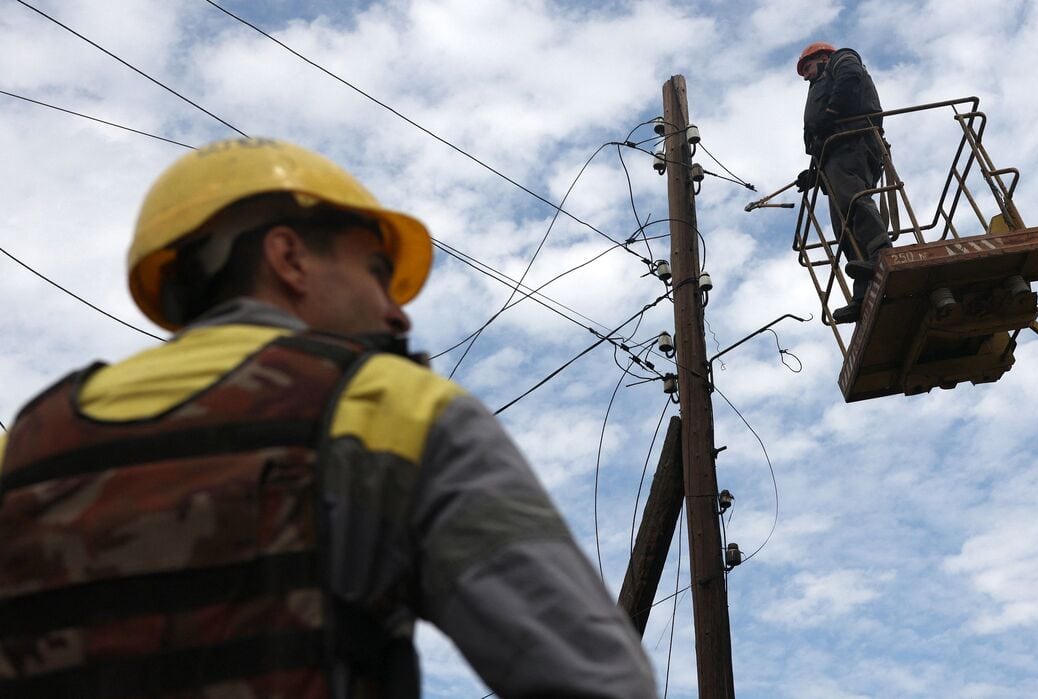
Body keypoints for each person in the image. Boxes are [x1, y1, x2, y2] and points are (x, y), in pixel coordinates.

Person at [0, 137, 657, 698]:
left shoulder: (31, 440)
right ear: (288, 258)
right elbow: (598, 683)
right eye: (376, 271)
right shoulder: (392, 406)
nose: (398, 312)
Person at [795, 41, 891, 324]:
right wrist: (813, 173)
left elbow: (851, 80)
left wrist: (831, 115)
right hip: (833, 155)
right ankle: (862, 294)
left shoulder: (842, 60)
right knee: (843, 226)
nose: (807, 76)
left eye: (808, 68)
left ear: (823, 57)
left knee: (853, 200)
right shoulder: (819, 84)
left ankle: (881, 250)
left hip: (853, 142)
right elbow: (821, 133)